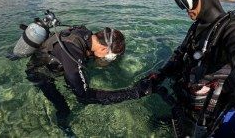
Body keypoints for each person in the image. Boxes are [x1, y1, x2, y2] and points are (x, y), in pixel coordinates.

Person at [139, 0, 235, 137]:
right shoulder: (196, 27)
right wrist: (160, 75)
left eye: (186, 1)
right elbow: (179, 55)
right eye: (180, 3)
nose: (185, 9)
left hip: (206, 122)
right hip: (184, 107)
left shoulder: (233, 26)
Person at [24, 24, 152, 135]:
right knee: (64, 108)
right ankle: (63, 128)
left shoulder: (86, 34)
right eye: (111, 57)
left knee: (75, 81)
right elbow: (83, 97)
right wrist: (134, 93)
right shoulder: (72, 51)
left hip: (60, 62)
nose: (108, 60)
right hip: (39, 73)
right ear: (103, 48)